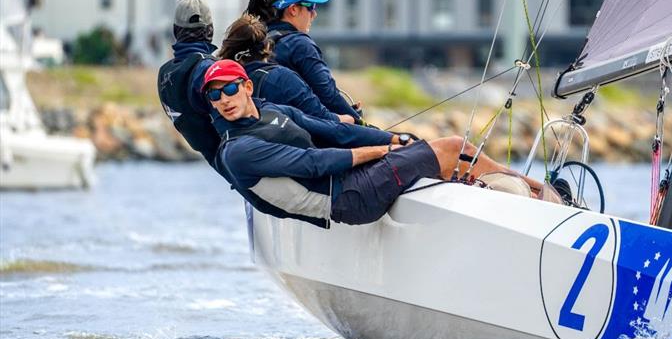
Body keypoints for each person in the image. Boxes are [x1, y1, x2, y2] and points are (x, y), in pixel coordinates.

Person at [202, 60, 560, 228]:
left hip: (355, 180)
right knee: (452, 146)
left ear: (247, 87)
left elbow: (337, 132)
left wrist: (394, 138)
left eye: (230, 88)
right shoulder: (238, 149)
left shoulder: (272, 110)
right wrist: (387, 152)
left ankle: (509, 202)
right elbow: (314, 164)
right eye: (215, 96)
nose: (224, 99)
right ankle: (539, 193)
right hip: (349, 199)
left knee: (435, 152)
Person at [245, 0, 363, 122]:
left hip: (264, 128)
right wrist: (359, 121)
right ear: (293, 9)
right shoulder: (299, 44)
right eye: (311, 7)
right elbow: (328, 95)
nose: (314, 14)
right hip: (301, 133)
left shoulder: (257, 39)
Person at [218, 14, 354, 124]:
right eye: (310, 8)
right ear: (267, 48)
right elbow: (323, 119)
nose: (314, 13)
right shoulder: (283, 78)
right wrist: (353, 119)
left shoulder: (219, 86)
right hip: (294, 153)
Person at [156, 0, 219, 166]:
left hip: (212, 155)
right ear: (210, 31)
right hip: (232, 153)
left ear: (175, 32)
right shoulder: (211, 69)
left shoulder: (164, 73)